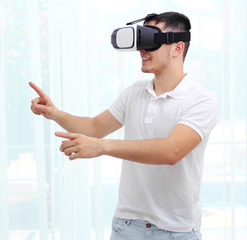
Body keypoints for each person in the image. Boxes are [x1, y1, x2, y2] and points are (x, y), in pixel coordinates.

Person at [30, 12, 218, 240]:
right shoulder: (134, 93)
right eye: (140, 41)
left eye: (151, 40)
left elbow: (172, 151)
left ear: (177, 48)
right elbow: (94, 127)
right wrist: (55, 113)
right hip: (126, 226)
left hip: (176, 231)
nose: (142, 49)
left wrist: (103, 147)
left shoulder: (201, 100)